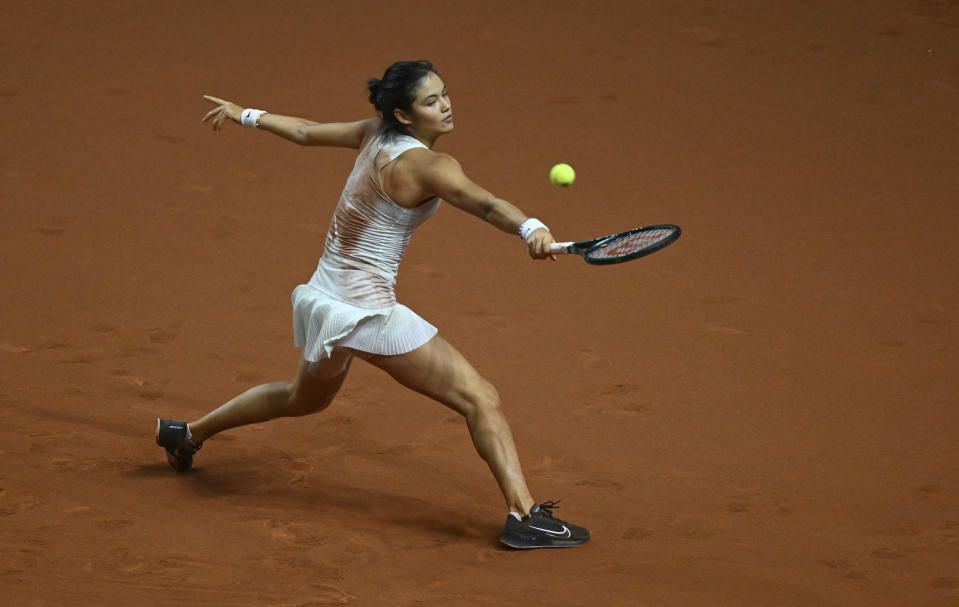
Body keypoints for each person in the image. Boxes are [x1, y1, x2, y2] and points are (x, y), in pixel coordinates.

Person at [156, 60, 589, 549]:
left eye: (445, 94)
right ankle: (524, 515)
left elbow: (303, 130)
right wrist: (531, 228)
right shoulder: (431, 165)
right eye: (431, 101)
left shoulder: (372, 134)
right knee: (479, 397)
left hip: (325, 299)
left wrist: (244, 114)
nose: (445, 106)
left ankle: (186, 433)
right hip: (366, 311)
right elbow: (485, 204)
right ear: (404, 115)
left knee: (303, 399)